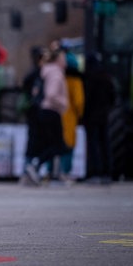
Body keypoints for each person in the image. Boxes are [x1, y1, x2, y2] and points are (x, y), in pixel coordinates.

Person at [25, 44, 68, 185]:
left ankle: (51, 173)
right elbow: (51, 94)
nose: (65, 61)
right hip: (52, 111)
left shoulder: (44, 71)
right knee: (58, 145)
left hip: (44, 112)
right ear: (57, 60)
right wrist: (64, 103)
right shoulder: (55, 73)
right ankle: (37, 166)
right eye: (63, 58)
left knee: (51, 145)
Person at [83, 53, 116, 184]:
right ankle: (108, 171)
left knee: (93, 145)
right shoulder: (106, 78)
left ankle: (96, 171)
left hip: (91, 116)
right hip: (104, 116)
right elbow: (113, 98)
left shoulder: (89, 78)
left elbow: (86, 98)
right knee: (105, 143)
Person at [56, 50, 84, 183]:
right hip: (70, 116)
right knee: (68, 145)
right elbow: (79, 102)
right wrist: (80, 114)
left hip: (56, 115)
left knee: (54, 145)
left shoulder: (58, 77)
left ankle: (51, 172)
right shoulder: (75, 81)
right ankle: (65, 172)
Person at [19, 46, 44, 185]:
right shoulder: (37, 74)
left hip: (34, 113)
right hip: (36, 113)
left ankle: (29, 171)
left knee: (33, 143)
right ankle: (30, 170)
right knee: (35, 142)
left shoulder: (32, 73)